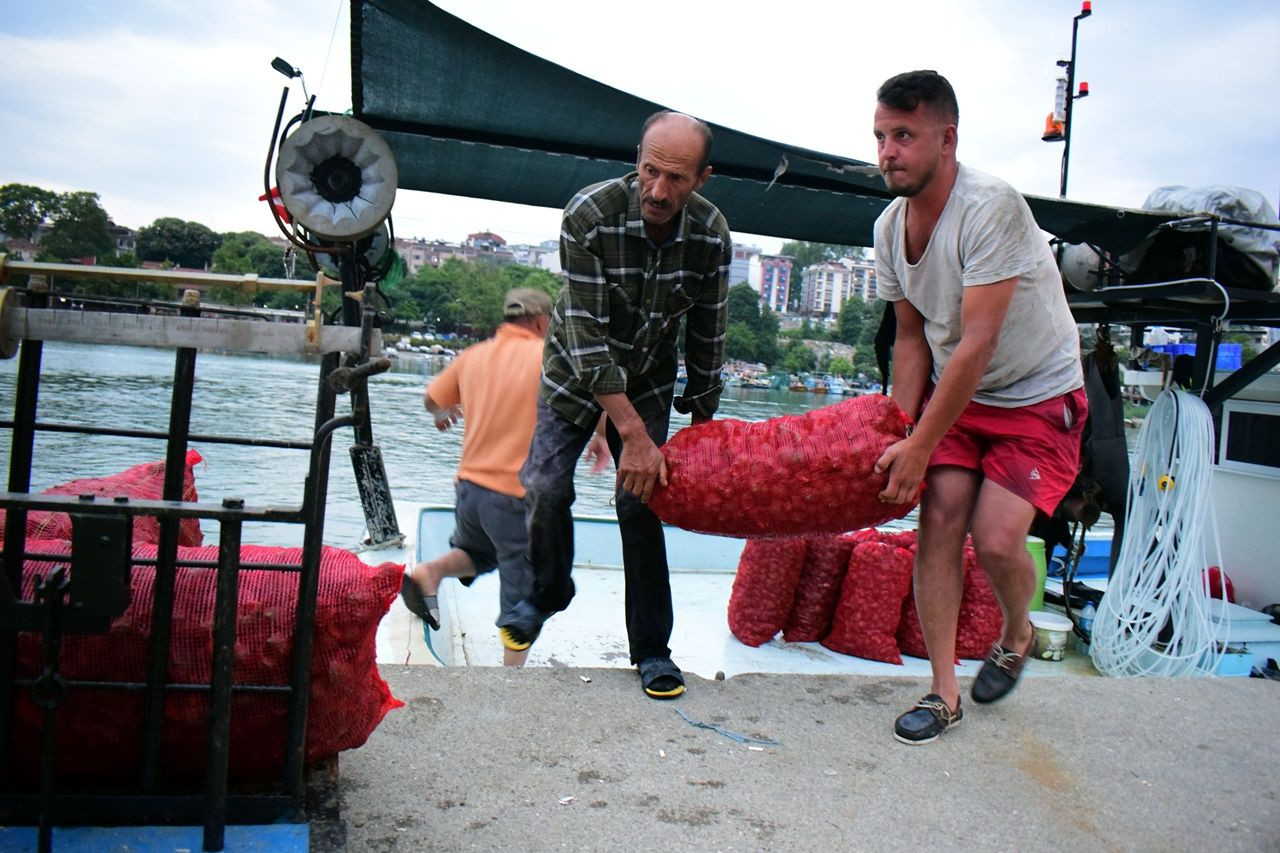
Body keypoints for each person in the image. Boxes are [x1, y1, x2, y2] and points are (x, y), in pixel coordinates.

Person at [870, 71, 1086, 744]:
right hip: (959, 396)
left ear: (947, 138)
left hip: (1034, 391)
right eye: (879, 137)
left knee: (996, 538)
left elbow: (977, 343)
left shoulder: (992, 206)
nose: (887, 152)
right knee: (938, 521)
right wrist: (899, 434)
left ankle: (1016, 628)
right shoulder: (886, 228)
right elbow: (911, 339)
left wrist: (921, 444)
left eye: (903, 136)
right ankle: (942, 692)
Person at [501, 110, 731, 699]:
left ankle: (652, 649)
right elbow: (584, 331)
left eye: (676, 179)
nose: (658, 191)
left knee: (640, 503)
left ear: (702, 178)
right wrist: (629, 432)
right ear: (637, 159)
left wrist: (704, 428)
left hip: (650, 375)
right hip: (574, 371)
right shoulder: (589, 214)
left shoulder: (711, 236)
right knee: (545, 485)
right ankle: (549, 592)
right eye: (650, 171)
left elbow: (707, 334)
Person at [399, 287, 585, 666]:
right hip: (515, 495)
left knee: (479, 554)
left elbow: (432, 400)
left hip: (469, 490)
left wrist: (445, 410)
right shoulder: (548, 359)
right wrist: (601, 437)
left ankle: (428, 572)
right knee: (524, 593)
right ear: (542, 322)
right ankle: (510, 681)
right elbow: (583, 405)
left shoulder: (474, 356)